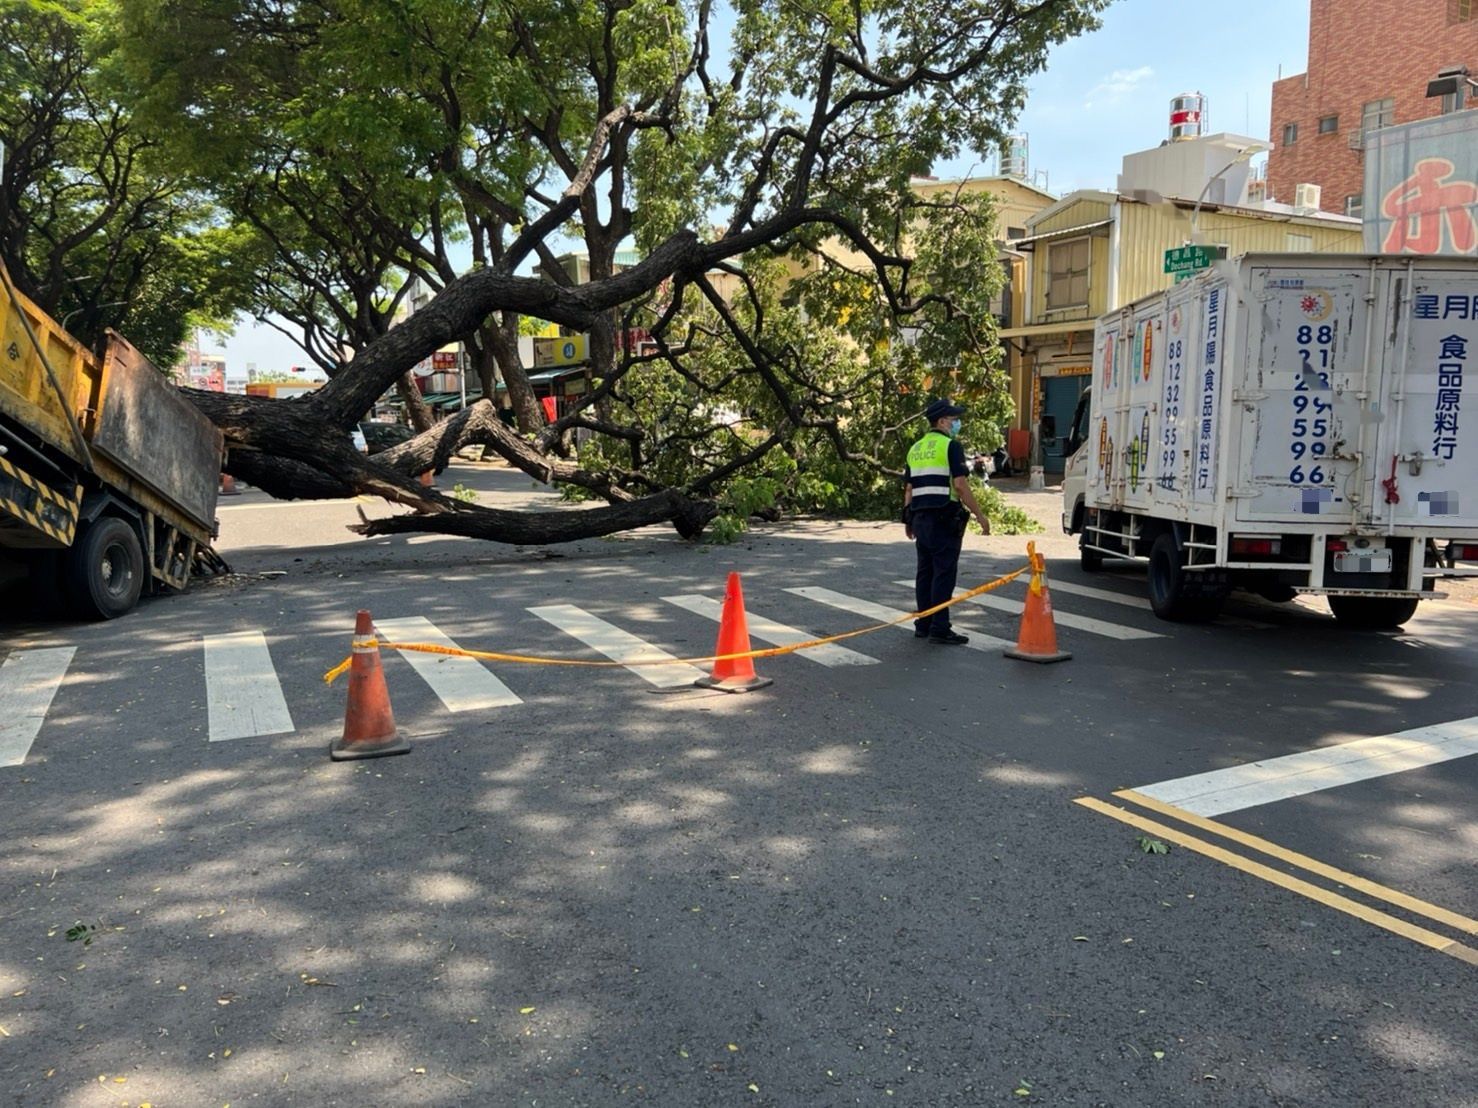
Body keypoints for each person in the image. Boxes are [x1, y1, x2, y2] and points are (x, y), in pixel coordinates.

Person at [902, 397, 991, 645]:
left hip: (920, 517)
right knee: (943, 573)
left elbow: (909, 489)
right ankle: (940, 627)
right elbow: (960, 485)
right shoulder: (950, 447)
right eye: (953, 419)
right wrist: (980, 516)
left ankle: (924, 623)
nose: (956, 423)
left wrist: (907, 520)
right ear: (941, 421)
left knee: (925, 572)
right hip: (943, 517)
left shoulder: (916, 448)